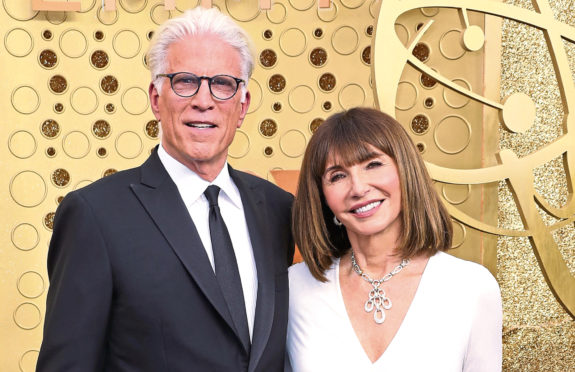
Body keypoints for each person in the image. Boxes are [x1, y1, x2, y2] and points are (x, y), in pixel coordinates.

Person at [37, 7, 294, 372]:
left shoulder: (279, 208)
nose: (203, 100)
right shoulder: (95, 215)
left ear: (242, 105)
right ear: (156, 99)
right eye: (185, 81)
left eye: (222, 83)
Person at [286, 107, 502, 371]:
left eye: (373, 165)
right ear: (322, 196)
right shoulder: (294, 288)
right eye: (338, 176)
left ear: (405, 171)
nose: (358, 188)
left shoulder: (471, 287)